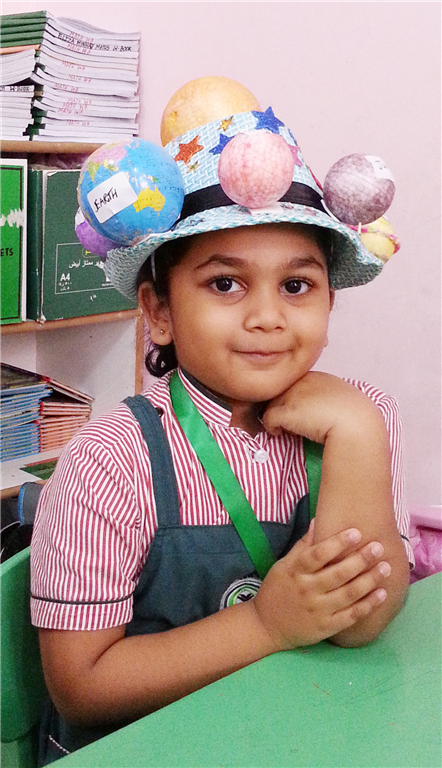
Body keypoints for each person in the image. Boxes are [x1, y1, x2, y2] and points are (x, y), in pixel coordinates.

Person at [30, 103, 413, 763]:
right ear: (159, 310)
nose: (267, 316)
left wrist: (356, 437)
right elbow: (80, 687)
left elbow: (362, 623)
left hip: (297, 737)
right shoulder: (111, 460)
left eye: (297, 285)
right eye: (226, 283)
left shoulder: (363, 415)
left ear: (330, 301)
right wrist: (265, 624)